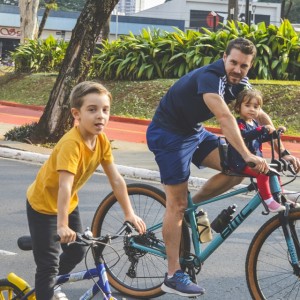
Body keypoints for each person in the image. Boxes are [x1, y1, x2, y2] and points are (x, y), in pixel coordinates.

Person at [146, 38, 300, 297]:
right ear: (224, 57)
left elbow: (258, 114)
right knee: (176, 203)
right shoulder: (210, 77)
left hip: (194, 132)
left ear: (249, 66)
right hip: (168, 134)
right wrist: (248, 154)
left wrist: (280, 148)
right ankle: (172, 275)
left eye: (244, 66)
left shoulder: (241, 82)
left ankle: (189, 210)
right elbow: (226, 117)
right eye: (234, 62)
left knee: (236, 169)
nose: (238, 69)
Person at [26, 81, 146, 300]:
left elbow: (116, 179)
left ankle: (50, 280)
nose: (100, 115)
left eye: (105, 110)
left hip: (67, 203)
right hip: (43, 207)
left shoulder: (101, 141)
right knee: (48, 266)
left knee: (78, 250)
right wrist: (62, 226)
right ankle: (46, 288)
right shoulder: (71, 144)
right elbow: (65, 185)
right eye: (92, 110)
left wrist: (129, 213)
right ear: (76, 113)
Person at [227, 88, 292, 213]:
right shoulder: (238, 123)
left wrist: (275, 134)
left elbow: (261, 138)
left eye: (256, 107)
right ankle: (268, 201)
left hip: (255, 161)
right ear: (238, 107)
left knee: (274, 171)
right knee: (263, 172)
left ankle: (281, 198)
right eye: (247, 105)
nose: (252, 109)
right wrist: (262, 129)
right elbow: (245, 136)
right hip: (240, 162)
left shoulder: (255, 124)